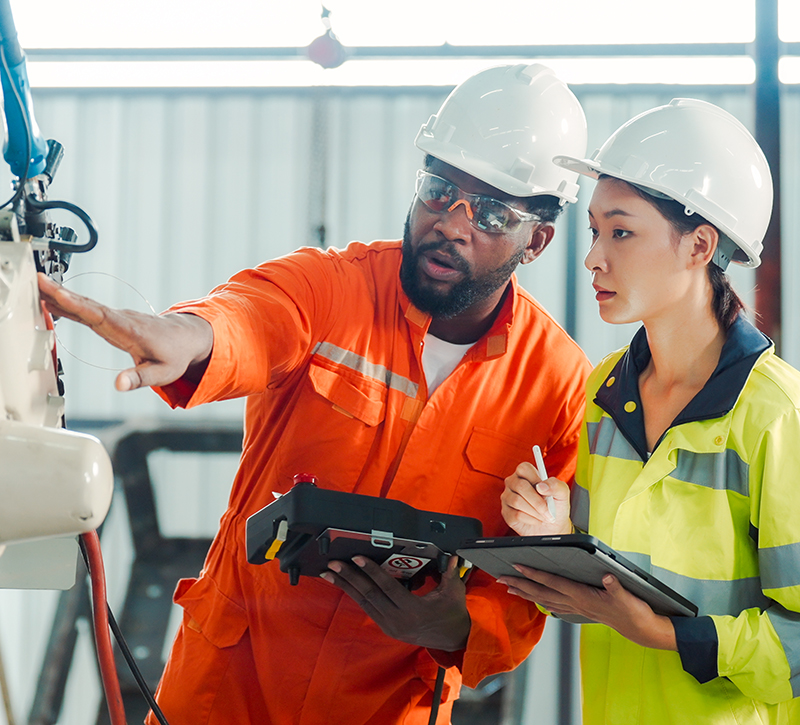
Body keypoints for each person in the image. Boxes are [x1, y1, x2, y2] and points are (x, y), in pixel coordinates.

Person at [39, 63, 592, 725]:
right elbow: (253, 317)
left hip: (388, 705)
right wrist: (185, 335)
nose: (451, 222)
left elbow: (532, 579)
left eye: (493, 211)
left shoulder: (556, 385)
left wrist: (455, 625)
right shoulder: (335, 288)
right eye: (439, 190)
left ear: (537, 239)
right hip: (225, 693)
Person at [499, 97, 800, 724]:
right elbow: (601, 596)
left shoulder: (774, 413)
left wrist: (663, 633)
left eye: (622, 231)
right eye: (595, 232)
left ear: (699, 245)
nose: (594, 258)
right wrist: (557, 538)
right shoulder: (606, 392)